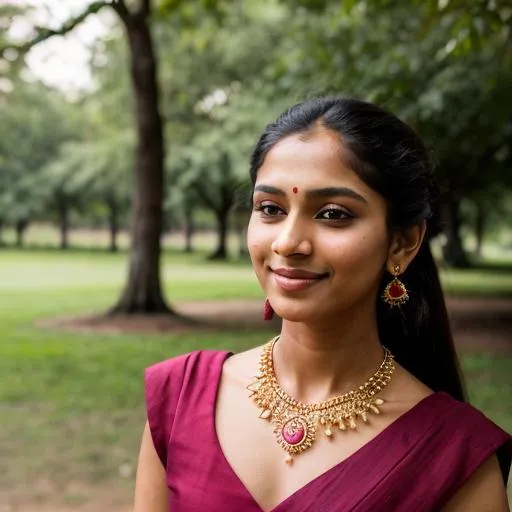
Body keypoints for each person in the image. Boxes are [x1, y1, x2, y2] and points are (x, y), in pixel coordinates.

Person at [133, 97, 511, 512]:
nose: (288, 242)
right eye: (271, 209)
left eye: (333, 214)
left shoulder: (456, 456)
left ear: (403, 242)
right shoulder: (179, 399)